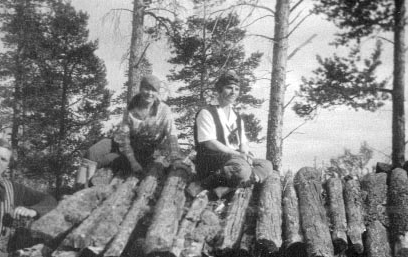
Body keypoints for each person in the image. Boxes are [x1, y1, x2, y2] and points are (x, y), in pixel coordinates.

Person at [76, 74, 181, 187]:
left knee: (108, 160)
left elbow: (172, 135)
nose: (149, 93)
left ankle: (87, 188)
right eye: (146, 88)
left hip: (140, 152)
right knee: (92, 152)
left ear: (157, 93)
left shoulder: (164, 111)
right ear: (140, 89)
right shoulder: (131, 109)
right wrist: (133, 162)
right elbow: (124, 138)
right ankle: (78, 189)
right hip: (121, 143)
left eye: (153, 90)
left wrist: (175, 158)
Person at [189, 70, 273, 198]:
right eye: (229, 88)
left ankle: (223, 190)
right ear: (219, 89)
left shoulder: (236, 117)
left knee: (266, 165)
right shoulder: (207, 112)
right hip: (211, 161)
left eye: (237, 89)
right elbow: (210, 143)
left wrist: (245, 154)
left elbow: (243, 141)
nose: (233, 92)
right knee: (242, 170)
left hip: (234, 160)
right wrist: (237, 154)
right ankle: (203, 184)